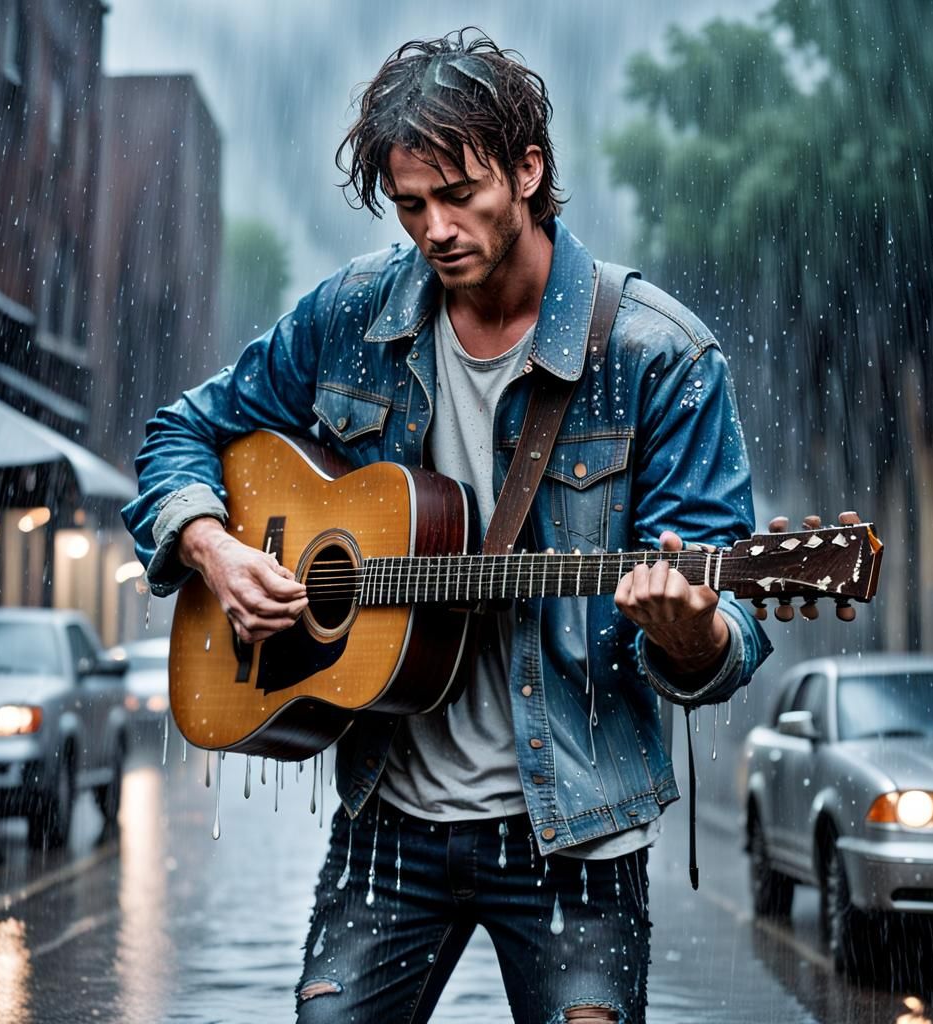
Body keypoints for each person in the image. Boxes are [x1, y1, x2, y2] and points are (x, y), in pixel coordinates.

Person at [122, 29, 772, 1024]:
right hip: (390, 814)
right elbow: (183, 434)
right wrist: (213, 545)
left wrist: (691, 632)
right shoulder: (353, 316)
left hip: (574, 835)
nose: (434, 227)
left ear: (527, 169)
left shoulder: (656, 358)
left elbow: (725, 636)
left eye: (459, 193)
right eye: (410, 203)